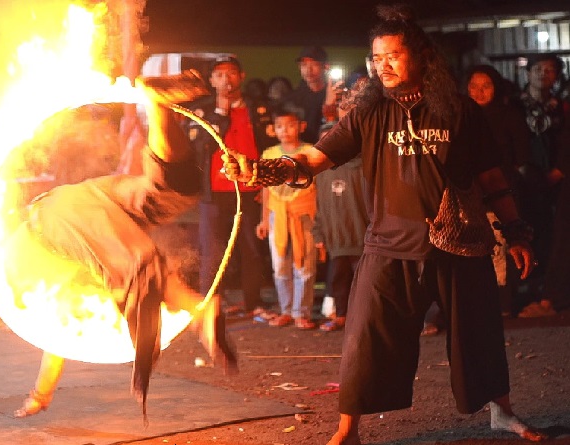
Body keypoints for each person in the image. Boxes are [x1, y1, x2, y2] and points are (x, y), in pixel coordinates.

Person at [221, 4, 545, 443]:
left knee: (479, 333)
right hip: (389, 242)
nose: (383, 65)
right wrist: (261, 170)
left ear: (421, 56)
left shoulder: (460, 111)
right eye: (377, 57)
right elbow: (316, 158)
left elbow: (492, 177)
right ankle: (347, 431)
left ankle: (502, 412)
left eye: (393, 54)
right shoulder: (369, 113)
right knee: (365, 339)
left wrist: (517, 231)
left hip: (459, 242)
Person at [0, 93, 238, 427]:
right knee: (172, 188)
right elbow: (59, 336)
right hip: (87, 201)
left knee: (135, 268)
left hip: (57, 218)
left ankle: (194, 311)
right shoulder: (48, 292)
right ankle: (158, 106)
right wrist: (41, 395)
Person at [186, 55, 276, 318]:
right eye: (220, 74)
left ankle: (253, 302)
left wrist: (265, 182)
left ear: (242, 76)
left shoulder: (258, 109)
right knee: (212, 251)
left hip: (249, 191)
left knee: (251, 250)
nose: (227, 79)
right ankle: (211, 305)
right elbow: (198, 145)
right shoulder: (201, 111)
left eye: (232, 73)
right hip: (213, 194)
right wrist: (221, 112)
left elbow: (268, 148)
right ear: (212, 80)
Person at [464, 64, 531, 317]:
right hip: (470, 192)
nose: (479, 92)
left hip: (501, 190)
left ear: (496, 87)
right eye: (473, 87)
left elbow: (522, 155)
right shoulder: (462, 115)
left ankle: (503, 303)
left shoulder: (508, 116)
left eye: (486, 86)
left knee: (502, 244)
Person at [516, 53, 569, 318]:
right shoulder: (515, 105)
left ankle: (550, 293)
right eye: (538, 69)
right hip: (524, 179)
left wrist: (559, 170)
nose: (543, 75)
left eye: (549, 71)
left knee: (555, 235)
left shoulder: (561, 107)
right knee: (528, 232)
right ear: (529, 73)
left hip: (556, 179)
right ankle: (526, 291)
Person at [256, 105, 318, 329]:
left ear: (301, 126)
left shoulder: (311, 151)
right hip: (277, 214)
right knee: (280, 263)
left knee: (305, 262)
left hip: (304, 212)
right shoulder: (269, 154)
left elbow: (316, 186)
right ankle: (286, 310)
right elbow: (265, 189)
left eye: (291, 125)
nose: (285, 130)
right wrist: (264, 219)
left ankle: (302, 312)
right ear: (273, 129)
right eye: (280, 126)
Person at [312, 123, 368, 332]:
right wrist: (318, 232)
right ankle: (342, 316)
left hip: (360, 237)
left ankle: (364, 319)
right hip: (336, 240)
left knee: (363, 283)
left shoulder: (361, 167)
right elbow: (320, 206)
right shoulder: (321, 173)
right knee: (338, 281)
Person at [282, 45, 332, 144]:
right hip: (302, 151)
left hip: (330, 149)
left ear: (326, 66)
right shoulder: (292, 99)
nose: (308, 70)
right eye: (304, 65)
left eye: (314, 64)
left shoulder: (335, 95)